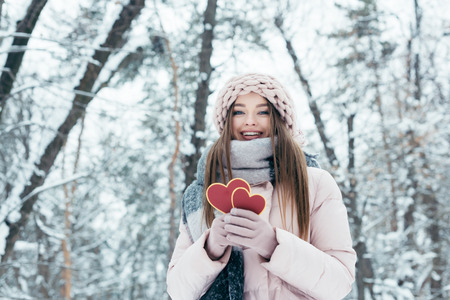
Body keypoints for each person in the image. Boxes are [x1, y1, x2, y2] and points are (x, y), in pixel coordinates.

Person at [166, 73, 356, 300]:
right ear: (226, 121)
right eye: (239, 112)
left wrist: (273, 245)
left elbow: (339, 283)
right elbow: (177, 291)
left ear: (279, 118)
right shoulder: (203, 192)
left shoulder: (313, 183)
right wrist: (211, 248)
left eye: (263, 111)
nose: (250, 121)